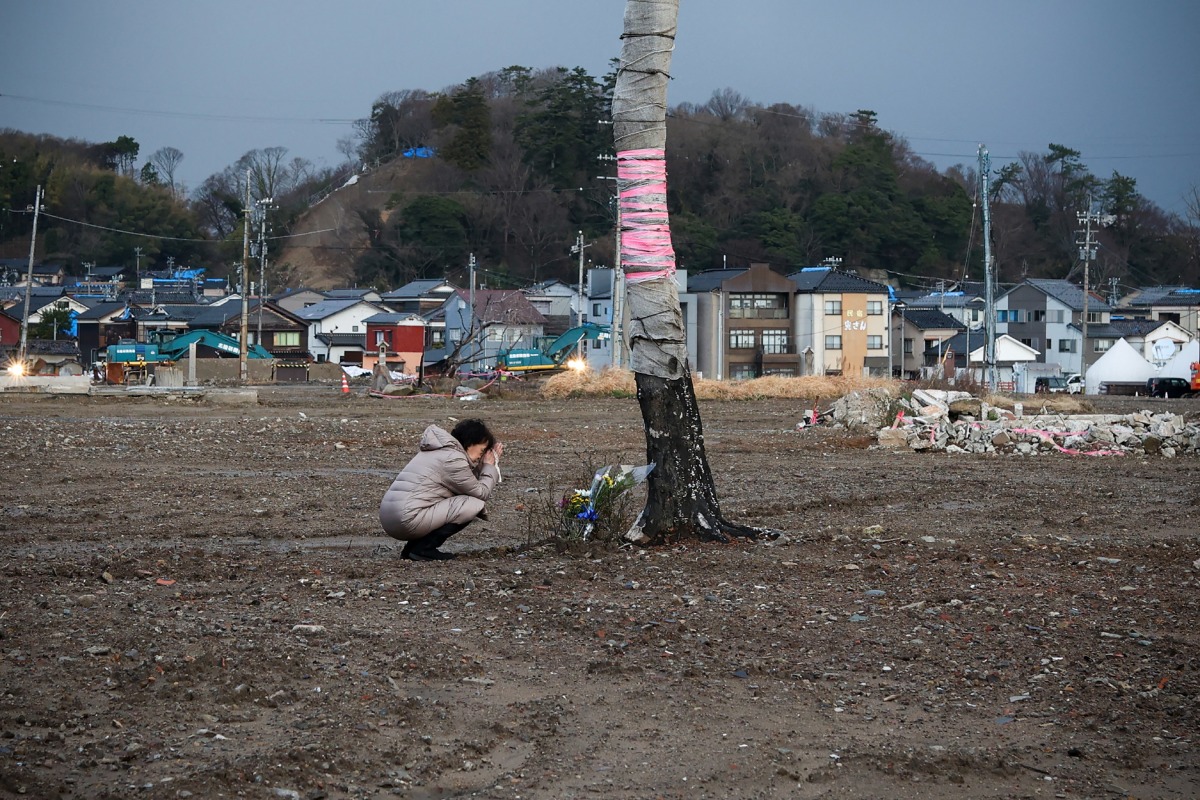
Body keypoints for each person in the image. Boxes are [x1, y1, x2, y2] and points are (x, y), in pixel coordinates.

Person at [379, 419, 503, 561]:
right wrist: (489, 466)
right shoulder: (453, 459)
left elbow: (464, 483)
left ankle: (412, 550)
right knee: (473, 504)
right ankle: (424, 549)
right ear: (471, 442)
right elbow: (481, 493)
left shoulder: (439, 451)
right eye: (482, 450)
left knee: (458, 501)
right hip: (406, 519)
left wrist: (482, 467)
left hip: (391, 517)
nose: (482, 455)